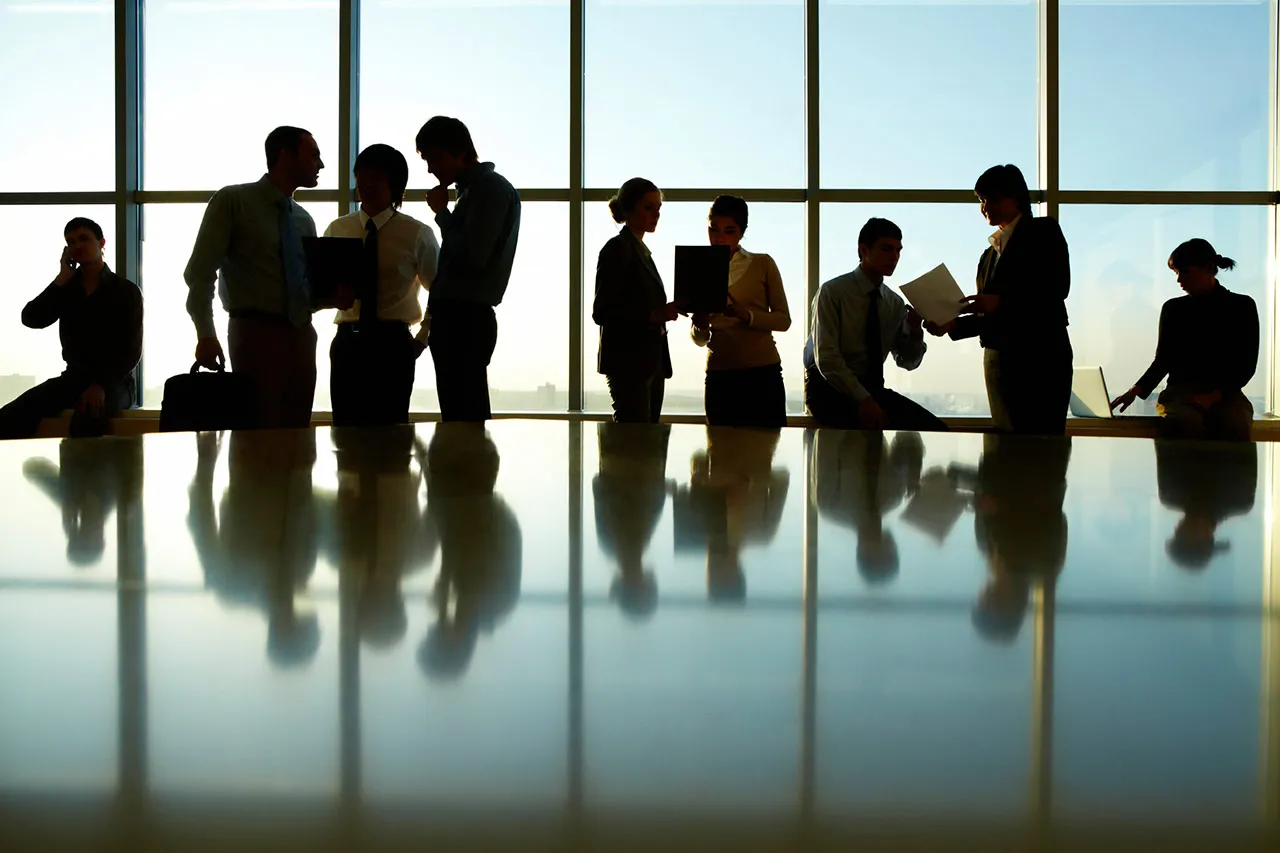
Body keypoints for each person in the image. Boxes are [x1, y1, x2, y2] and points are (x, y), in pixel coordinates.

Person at [184, 126, 331, 430]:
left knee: (297, 436)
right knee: (257, 435)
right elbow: (200, 272)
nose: (321, 164)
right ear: (285, 155)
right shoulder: (233, 201)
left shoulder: (304, 219)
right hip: (255, 333)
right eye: (313, 154)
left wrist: (330, 298)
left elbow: (301, 290)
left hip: (301, 335)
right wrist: (205, 334)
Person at [926, 164, 1072, 435]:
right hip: (998, 361)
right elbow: (988, 317)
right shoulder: (988, 255)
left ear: (1015, 198)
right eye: (981, 200)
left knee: (1041, 451)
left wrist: (1001, 302)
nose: (984, 207)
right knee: (1006, 450)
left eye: (992, 199)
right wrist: (953, 325)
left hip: (1040, 358)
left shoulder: (1043, 232)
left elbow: (1057, 288)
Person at [323, 144, 439, 427]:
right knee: (346, 437)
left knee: (392, 439)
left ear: (395, 184)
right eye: (361, 174)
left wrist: (421, 340)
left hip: (393, 345)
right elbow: (319, 285)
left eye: (375, 176)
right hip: (348, 341)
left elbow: (439, 292)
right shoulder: (338, 229)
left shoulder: (416, 233)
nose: (365, 183)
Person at [416, 116, 521, 422]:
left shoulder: (488, 189)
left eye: (435, 158)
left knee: (464, 416)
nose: (431, 168)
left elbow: (473, 256)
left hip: (464, 319)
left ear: (461, 152)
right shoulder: (475, 190)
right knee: (462, 414)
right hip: (462, 317)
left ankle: (468, 470)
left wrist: (442, 214)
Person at [0, 217, 142, 440]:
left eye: (84, 239)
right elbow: (31, 318)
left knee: (87, 420)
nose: (77, 246)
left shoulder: (125, 291)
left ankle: (78, 475)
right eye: (71, 241)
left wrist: (100, 385)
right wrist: (61, 278)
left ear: (102, 243)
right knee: (9, 417)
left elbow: (131, 351)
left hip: (116, 382)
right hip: (73, 378)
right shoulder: (67, 289)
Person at [803, 217, 945, 431]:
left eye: (898, 250)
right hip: (828, 388)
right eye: (887, 249)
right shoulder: (833, 292)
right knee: (866, 431)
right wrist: (865, 401)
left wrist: (915, 330)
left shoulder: (894, 303)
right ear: (864, 250)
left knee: (935, 429)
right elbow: (827, 359)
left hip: (871, 389)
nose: (895, 257)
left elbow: (907, 362)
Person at [1110, 239, 1258, 441]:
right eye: (1177, 273)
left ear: (1207, 268)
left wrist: (1213, 396)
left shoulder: (1242, 307)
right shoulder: (1174, 309)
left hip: (1224, 394)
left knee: (1233, 424)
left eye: (1184, 272)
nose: (1179, 280)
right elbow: (1164, 359)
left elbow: (1246, 365)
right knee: (1188, 424)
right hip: (1185, 395)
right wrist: (1135, 390)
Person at [690, 196, 791, 428]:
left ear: (741, 233)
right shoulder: (698, 268)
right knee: (720, 456)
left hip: (763, 373)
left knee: (765, 453)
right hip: (720, 373)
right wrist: (701, 323)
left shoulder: (762, 264)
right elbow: (699, 339)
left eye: (729, 231)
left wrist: (748, 315)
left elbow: (783, 320)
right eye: (713, 229)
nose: (719, 237)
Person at [592, 178, 685, 423]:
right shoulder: (617, 249)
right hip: (629, 364)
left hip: (648, 362)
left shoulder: (638, 251)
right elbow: (602, 311)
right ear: (629, 208)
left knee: (641, 445)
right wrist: (654, 315)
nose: (656, 214)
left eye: (658, 208)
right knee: (635, 446)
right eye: (648, 207)